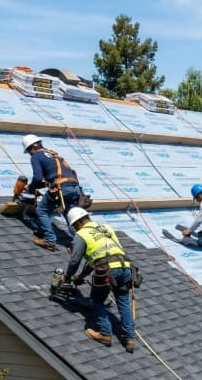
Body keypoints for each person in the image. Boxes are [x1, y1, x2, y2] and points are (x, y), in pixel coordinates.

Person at [63, 207, 136, 353]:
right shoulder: (106, 227)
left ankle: (105, 333)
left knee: (96, 300)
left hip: (107, 270)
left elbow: (74, 261)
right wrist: (82, 277)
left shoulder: (81, 234)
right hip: (126, 267)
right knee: (123, 301)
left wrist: (68, 276)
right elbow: (96, 257)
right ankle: (129, 338)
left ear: (77, 224)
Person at [22, 134, 83, 251]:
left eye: (29, 152)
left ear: (31, 148)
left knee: (41, 210)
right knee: (70, 215)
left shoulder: (36, 156)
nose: (30, 154)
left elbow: (38, 178)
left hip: (62, 188)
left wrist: (30, 188)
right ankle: (79, 244)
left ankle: (49, 239)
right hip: (74, 187)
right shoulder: (53, 154)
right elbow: (55, 173)